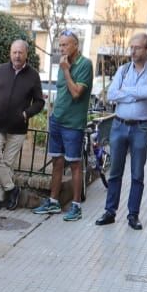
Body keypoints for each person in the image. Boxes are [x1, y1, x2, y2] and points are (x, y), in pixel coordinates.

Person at [100, 32, 147, 230]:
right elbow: (111, 94)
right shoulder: (123, 69)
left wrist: (125, 92)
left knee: (137, 174)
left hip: (141, 128)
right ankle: (110, 212)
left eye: (137, 48)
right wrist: (134, 95)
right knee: (115, 172)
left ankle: (133, 215)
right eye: (131, 47)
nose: (133, 51)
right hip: (119, 125)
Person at [0, 39, 44, 213]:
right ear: (10, 53)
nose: (17, 56)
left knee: (8, 163)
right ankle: (12, 189)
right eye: (14, 52)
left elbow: (39, 102)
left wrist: (26, 114)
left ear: (26, 54)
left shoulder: (33, 75)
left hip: (17, 129)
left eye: (20, 53)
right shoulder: (1, 70)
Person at [46, 30, 93, 222]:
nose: (61, 48)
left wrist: (66, 70)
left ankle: (75, 206)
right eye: (60, 45)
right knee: (57, 162)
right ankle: (53, 201)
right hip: (57, 120)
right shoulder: (63, 62)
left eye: (65, 45)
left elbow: (76, 93)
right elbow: (62, 91)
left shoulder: (85, 65)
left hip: (73, 124)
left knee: (74, 164)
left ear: (76, 45)